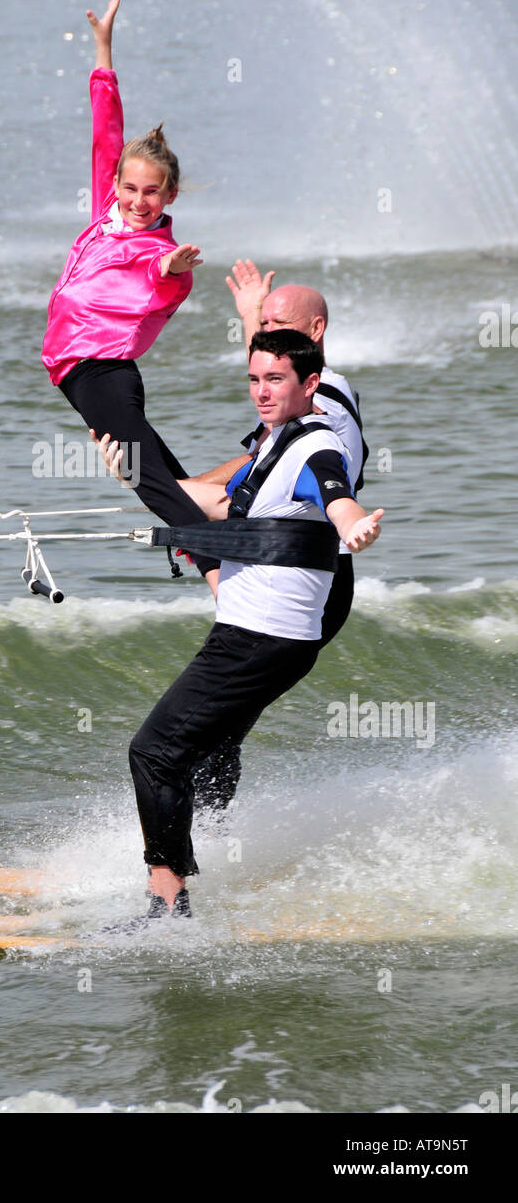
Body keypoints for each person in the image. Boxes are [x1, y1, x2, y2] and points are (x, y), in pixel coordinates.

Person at [123, 329, 383, 917]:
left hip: (259, 637)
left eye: (275, 380)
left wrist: (356, 525)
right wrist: (133, 474)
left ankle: (168, 904)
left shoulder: (318, 448)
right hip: (264, 636)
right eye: (254, 379)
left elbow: (339, 499)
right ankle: (199, 855)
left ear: (309, 384)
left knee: (155, 751)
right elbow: (213, 505)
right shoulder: (274, 445)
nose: (261, 392)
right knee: (202, 749)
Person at [41, 0, 222, 593]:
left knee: (149, 478)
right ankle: (233, 515)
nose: (139, 201)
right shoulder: (104, 212)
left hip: (102, 370)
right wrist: (103, 45)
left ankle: (220, 567)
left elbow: (159, 280)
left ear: (169, 197)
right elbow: (105, 126)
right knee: (161, 478)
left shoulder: (154, 249)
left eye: (152, 193)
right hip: (77, 372)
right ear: (115, 184)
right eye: (130, 189)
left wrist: (172, 267)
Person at [189, 265, 369, 806]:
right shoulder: (302, 383)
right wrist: (250, 312)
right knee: (216, 725)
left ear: (315, 331)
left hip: (311, 575)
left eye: (277, 323)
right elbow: (273, 364)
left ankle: (204, 845)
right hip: (276, 566)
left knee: (214, 726)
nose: (264, 336)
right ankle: (209, 836)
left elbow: (268, 462)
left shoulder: (326, 405)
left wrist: (185, 491)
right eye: (262, 325)